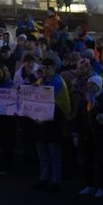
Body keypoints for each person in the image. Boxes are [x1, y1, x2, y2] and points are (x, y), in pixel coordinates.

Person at [32, 58, 70, 193]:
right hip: (40, 123)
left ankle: (55, 180)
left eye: (48, 68)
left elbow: (61, 107)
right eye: (43, 68)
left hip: (54, 124)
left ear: (54, 68)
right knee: (42, 153)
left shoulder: (59, 82)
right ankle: (44, 177)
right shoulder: (40, 81)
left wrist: (45, 117)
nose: (45, 70)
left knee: (54, 154)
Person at [76, 76, 103, 198]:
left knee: (101, 161)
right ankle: (89, 185)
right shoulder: (84, 100)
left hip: (101, 135)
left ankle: (102, 187)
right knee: (88, 160)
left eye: (93, 84)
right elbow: (79, 117)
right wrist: (77, 132)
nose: (90, 86)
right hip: (87, 134)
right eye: (89, 84)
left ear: (99, 85)